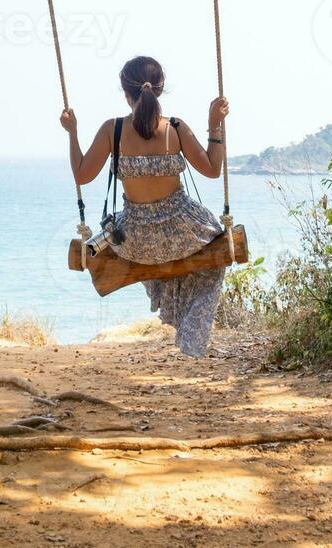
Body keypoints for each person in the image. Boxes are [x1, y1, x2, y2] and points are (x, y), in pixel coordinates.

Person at [60, 55, 230, 357]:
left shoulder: (112, 130)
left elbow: (81, 175)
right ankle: (191, 331)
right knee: (215, 254)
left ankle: (172, 310)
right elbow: (213, 170)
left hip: (136, 241)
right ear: (160, 90)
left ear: (127, 94)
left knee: (121, 237)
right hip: (185, 234)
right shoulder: (176, 128)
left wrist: (72, 132)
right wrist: (213, 125)